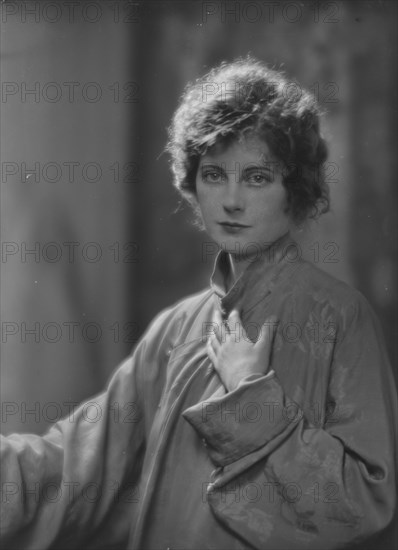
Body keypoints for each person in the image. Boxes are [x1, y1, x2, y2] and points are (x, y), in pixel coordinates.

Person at [1, 57, 396, 550]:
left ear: (294, 190)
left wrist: (252, 396)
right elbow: (76, 468)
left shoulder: (340, 318)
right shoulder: (176, 330)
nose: (231, 200)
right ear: (192, 184)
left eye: (256, 178)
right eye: (213, 175)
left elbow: (367, 506)